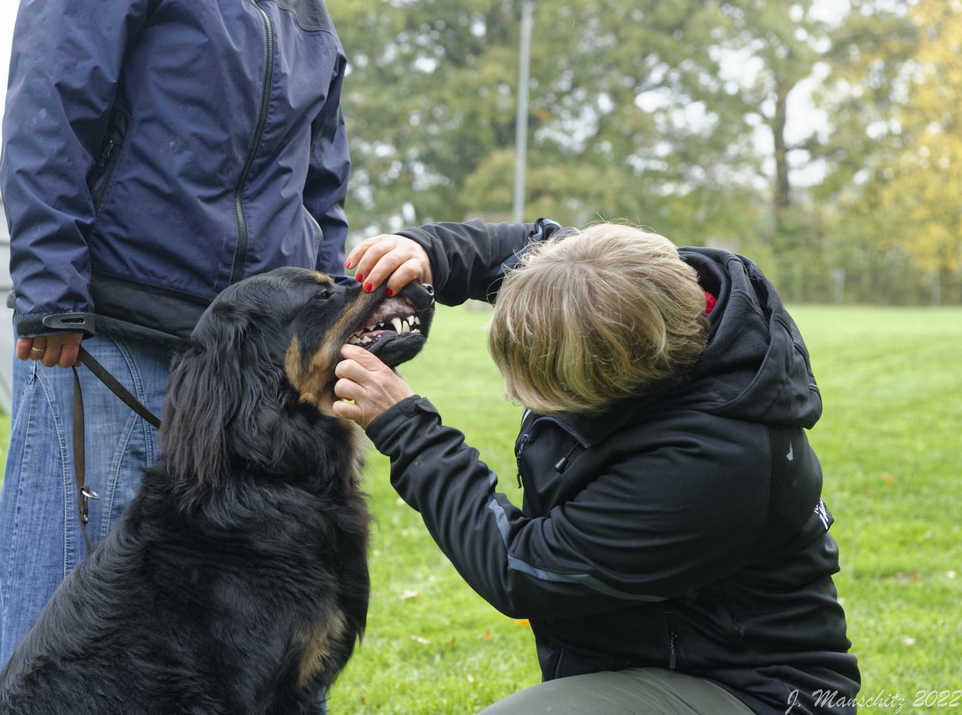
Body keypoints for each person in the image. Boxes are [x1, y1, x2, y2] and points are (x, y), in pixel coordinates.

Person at [0, 0, 355, 709]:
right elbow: (50, 108)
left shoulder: (305, 5)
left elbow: (322, 183)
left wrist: (334, 304)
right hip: (111, 341)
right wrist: (51, 291)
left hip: (247, 379)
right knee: (61, 625)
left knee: (246, 659)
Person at [333, 220, 861, 715]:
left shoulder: (710, 462)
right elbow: (537, 253)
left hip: (758, 692)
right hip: (661, 658)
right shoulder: (626, 282)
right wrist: (432, 253)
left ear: (609, 382)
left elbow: (524, 566)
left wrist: (409, 430)